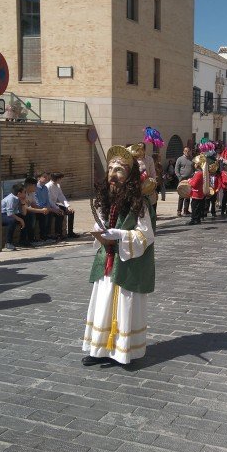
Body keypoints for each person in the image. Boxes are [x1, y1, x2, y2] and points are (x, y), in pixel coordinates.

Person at [82, 144, 156, 367]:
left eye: (119, 170)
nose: (113, 175)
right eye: (111, 170)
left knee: (124, 305)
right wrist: (101, 229)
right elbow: (104, 222)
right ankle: (98, 349)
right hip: (107, 261)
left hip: (127, 264)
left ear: (129, 176)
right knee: (103, 302)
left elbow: (146, 236)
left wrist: (120, 235)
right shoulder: (107, 199)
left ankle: (124, 352)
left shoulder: (140, 204)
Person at [46, 172, 79, 240]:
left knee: (71, 212)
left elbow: (61, 196)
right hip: (50, 206)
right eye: (61, 179)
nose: (61, 180)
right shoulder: (48, 186)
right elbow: (49, 200)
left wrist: (68, 206)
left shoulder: (58, 186)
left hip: (55, 204)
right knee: (60, 213)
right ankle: (58, 234)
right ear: (58, 179)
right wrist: (57, 208)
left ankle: (70, 232)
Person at [1, 183, 26, 251]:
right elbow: (10, 213)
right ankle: (8, 243)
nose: (25, 194)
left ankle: (23, 240)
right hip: (1, 215)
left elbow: (24, 213)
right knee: (12, 221)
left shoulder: (18, 199)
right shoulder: (11, 199)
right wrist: (21, 220)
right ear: (19, 193)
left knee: (26, 217)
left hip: (9, 214)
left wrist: (23, 203)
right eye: (24, 192)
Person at [174, 148, 194, 217]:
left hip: (190, 179)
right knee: (181, 195)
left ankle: (186, 210)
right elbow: (176, 169)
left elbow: (194, 168)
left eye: (188, 151)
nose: (187, 152)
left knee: (188, 194)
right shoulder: (180, 159)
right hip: (182, 178)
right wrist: (179, 177)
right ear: (183, 151)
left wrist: (193, 176)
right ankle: (179, 211)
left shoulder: (192, 159)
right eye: (186, 151)